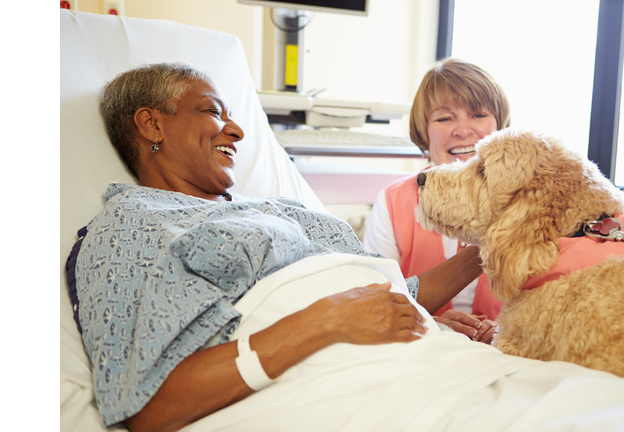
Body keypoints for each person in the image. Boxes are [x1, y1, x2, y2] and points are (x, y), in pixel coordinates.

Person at [71, 62, 488, 432]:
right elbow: (146, 408)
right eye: (214, 112)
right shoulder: (134, 220)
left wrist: (499, 238)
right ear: (151, 124)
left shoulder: (278, 207)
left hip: (430, 360)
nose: (236, 130)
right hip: (349, 386)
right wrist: (326, 320)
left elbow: (398, 294)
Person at [364, 59, 510, 343]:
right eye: (445, 118)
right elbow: (378, 299)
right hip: (426, 346)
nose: (463, 130)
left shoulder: (526, 199)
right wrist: (436, 324)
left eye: (478, 114)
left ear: (499, 124)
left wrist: (506, 329)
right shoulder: (393, 202)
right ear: (424, 130)